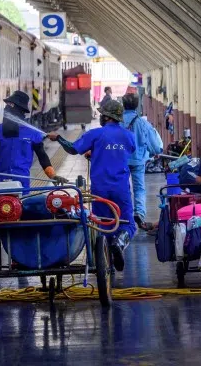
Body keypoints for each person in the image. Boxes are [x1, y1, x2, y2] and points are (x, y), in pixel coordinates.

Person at [48, 100, 136, 271]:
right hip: (120, 188)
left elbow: (73, 149)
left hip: (100, 189)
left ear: (106, 116)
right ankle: (119, 243)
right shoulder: (128, 135)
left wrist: (58, 138)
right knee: (128, 223)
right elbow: (125, 151)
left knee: (103, 224)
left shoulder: (95, 134)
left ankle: (106, 263)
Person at [0, 91, 67, 190]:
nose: (6, 109)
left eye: (10, 106)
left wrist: (53, 176)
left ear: (20, 111)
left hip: (22, 183)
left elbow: (42, 156)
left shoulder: (32, 133)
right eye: (7, 106)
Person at [121, 93, 163, 231]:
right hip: (138, 161)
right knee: (139, 188)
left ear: (123, 104)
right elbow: (156, 147)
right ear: (137, 105)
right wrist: (151, 153)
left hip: (120, 160)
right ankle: (139, 213)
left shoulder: (117, 122)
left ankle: (125, 214)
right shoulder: (143, 123)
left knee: (124, 188)